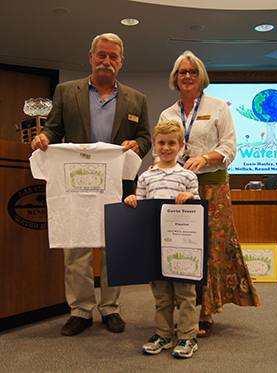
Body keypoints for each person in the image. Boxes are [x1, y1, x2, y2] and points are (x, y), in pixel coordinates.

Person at [31, 33, 151, 336]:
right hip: (76, 187)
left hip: (117, 188)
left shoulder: (137, 99)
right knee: (76, 250)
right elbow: (53, 129)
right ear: (91, 57)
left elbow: (146, 138)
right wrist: (44, 138)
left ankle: (110, 308)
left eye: (113, 57)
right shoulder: (65, 91)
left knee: (114, 249)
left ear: (121, 62)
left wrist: (136, 145)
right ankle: (81, 310)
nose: (106, 61)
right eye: (101, 55)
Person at [157, 50, 260, 338]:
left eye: (192, 72)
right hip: (178, 187)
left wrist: (204, 158)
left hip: (212, 185)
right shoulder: (168, 114)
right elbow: (160, 149)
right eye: (182, 72)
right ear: (175, 79)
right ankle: (188, 309)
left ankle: (206, 312)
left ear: (202, 77)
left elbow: (230, 147)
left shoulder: (218, 107)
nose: (187, 76)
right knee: (184, 244)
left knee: (212, 248)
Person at [124, 119, 199, 358]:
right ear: (154, 145)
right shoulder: (146, 177)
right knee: (161, 293)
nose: (166, 148)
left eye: (172, 143)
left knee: (186, 292)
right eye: (161, 143)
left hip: (183, 245)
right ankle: (164, 334)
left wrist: (190, 196)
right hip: (156, 244)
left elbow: (197, 206)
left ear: (181, 145)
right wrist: (132, 201)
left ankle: (188, 337)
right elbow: (142, 205)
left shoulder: (188, 176)